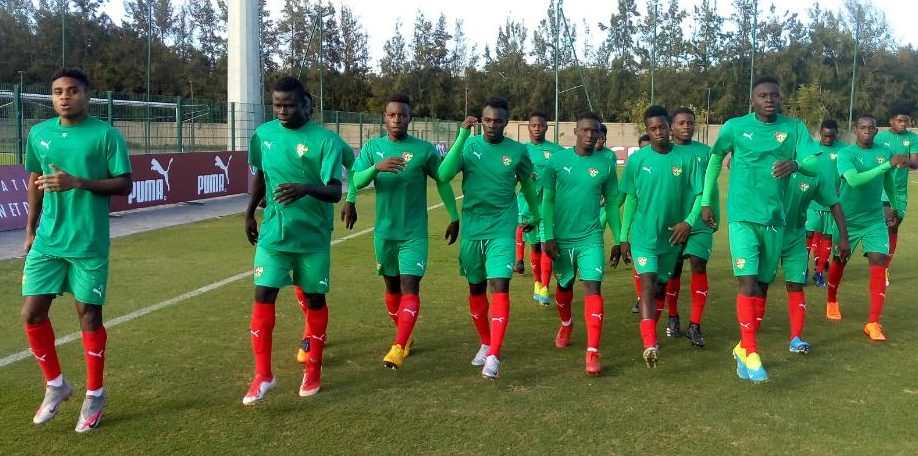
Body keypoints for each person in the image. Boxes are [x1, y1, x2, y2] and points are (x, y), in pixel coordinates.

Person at [21, 68, 132, 432]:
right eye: (57, 92)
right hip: (48, 241)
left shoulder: (106, 135)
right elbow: (35, 180)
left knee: (89, 315)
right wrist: (30, 229)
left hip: (88, 242)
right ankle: (56, 385)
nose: (64, 97)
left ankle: (95, 393)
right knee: (32, 314)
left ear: (87, 95)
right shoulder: (39, 134)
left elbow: (124, 184)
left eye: (72, 91)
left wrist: (78, 182)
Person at [700, 76, 820, 383]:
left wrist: (796, 165)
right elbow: (715, 158)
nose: (769, 99)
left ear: (781, 98)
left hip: (775, 220)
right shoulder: (735, 127)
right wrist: (706, 199)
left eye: (774, 95)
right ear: (752, 100)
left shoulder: (795, 128)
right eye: (763, 95)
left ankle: (742, 347)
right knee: (748, 283)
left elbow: (813, 162)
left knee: (762, 286)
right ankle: (751, 352)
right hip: (742, 217)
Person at [243, 76, 344, 404]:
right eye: (277, 105)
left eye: (289, 105)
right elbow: (261, 175)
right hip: (274, 233)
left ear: (305, 104)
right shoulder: (263, 135)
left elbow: (335, 191)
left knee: (314, 301)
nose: (282, 111)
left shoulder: (326, 141)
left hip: (312, 237)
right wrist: (249, 213)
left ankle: (313, 369)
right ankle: (263, 375)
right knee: (263, 294)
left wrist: (305, 188)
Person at [351, 94, 460, 370]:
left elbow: (442, 180)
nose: (397, 119)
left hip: (414, 233)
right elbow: (356, 179)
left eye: (402, 115)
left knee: (410, 285)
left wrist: (453, 215)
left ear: (410, 118)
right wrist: (376, 168)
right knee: (391, 287)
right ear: (384, 118)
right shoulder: (373, 147)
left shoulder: (424, 150)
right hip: (385, 233)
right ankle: (405, 334)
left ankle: (398, 347)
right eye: (392, 115)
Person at [438, 97, 539, 379]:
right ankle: (485, 342)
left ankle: (494, 354)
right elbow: (443, 175)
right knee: (476, 288)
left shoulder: (517, 151)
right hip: (472, 229)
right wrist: (462, 135)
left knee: (500, 285)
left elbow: (528, 185)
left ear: (506, 122)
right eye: (487, 120)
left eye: (498, 121)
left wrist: (535, 215)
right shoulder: (469, 145)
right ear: (481, 121)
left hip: (502, 228)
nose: (492, 125)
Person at [619, 106, 702, 367]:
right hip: (643, 236)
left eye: (662, 127)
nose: (658, 132)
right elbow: (631, 199)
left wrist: (688, 222)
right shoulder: (637, 160)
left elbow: (700, 195)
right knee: (647, 284)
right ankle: (649, 343)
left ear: (670, 127)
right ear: (647, 130)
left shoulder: (686, 159)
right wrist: (623, 236)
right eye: (652, 128)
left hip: (672, 238)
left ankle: (651, 334)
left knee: (660, 287)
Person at [541, 111, 621, 375]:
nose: (590, 135)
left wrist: (620, 238)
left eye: (595, 130)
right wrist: (547, 236)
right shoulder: (557, 161)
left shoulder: (606, 162)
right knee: (564, 286)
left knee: (593, 288)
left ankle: (592, 351)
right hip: (561, 238)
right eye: (585, 130)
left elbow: (612, 203)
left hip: (591, 238)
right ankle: (566, 324)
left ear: (600, 133)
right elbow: (547, 201)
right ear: (575, 131)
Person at [826, 114, 907, 340]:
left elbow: (888, 181)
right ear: (856, 129)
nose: (867, 131)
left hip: (874, 219)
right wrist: (886, 165)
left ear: (876, 131)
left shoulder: (883, 151)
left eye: (872, 128)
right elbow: (853, 181)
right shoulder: (846, 154)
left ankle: (873, 323)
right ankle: (831, 299)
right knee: (839, 260)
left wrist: (894, 206)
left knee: (879, 260)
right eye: (863, 127)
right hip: (847, 219)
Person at [779, 157, 850, 354]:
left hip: (795, 237)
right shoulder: (776, 166)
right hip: (770, 234)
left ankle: (796, 338)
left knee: (795, 284)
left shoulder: (815, 177)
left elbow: (834, 203)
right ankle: (748, 339)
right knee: (759, 285)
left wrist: (844, 237)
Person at [661, 107, 716, 347]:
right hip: (673, 222)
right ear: (671, 127)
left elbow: (710, 187)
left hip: (699, 221)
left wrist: (713, 213)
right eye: (681, 123)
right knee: (673, 270)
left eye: (690, 122)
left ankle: (695, 325)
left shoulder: (706, 152)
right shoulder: (664, 152)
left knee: (698, 264)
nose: (687, 126)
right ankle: (673, 317)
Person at [512, 112, 564, 306]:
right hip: (527, 204)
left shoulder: (557, 150)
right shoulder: (521, 150)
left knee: (546, 244)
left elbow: (564, 174)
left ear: (546, 127)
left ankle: (545, 287)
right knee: (534, 246)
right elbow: (513, 175)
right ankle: (537, 282)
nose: (537, 128)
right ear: (528, 127)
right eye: (533, 125)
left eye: (541, 125)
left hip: (549, 205)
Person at [874, 106, 918, 285]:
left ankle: (884, 267)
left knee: (894, 227)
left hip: (900, 192)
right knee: (887, 222)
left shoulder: (912, 138)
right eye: (900, 120)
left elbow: (915, 163)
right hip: (881, 189)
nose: (904, 124)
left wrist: (907, 162)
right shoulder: (880, 137)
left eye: (906, 121)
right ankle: (878, 266)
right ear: (891, 120)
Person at [806, 120, 846, 288]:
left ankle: (819, 272)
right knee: (807, 235)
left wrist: (841, 187)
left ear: (836, 134)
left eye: (831, 136)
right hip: (812, 201)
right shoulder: (811, 148)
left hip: (832, 202)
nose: (828, 139)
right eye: (825, 136)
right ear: (820, 133)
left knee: (827, 237)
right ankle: (803, 270)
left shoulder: (843, 150)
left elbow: (848, 173)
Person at [631, 133, 653, 314]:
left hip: (661, 224)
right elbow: (627, 195)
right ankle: (640, 297)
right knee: (639, 263)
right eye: (642, 148)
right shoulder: (636, 165)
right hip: (639, 222)